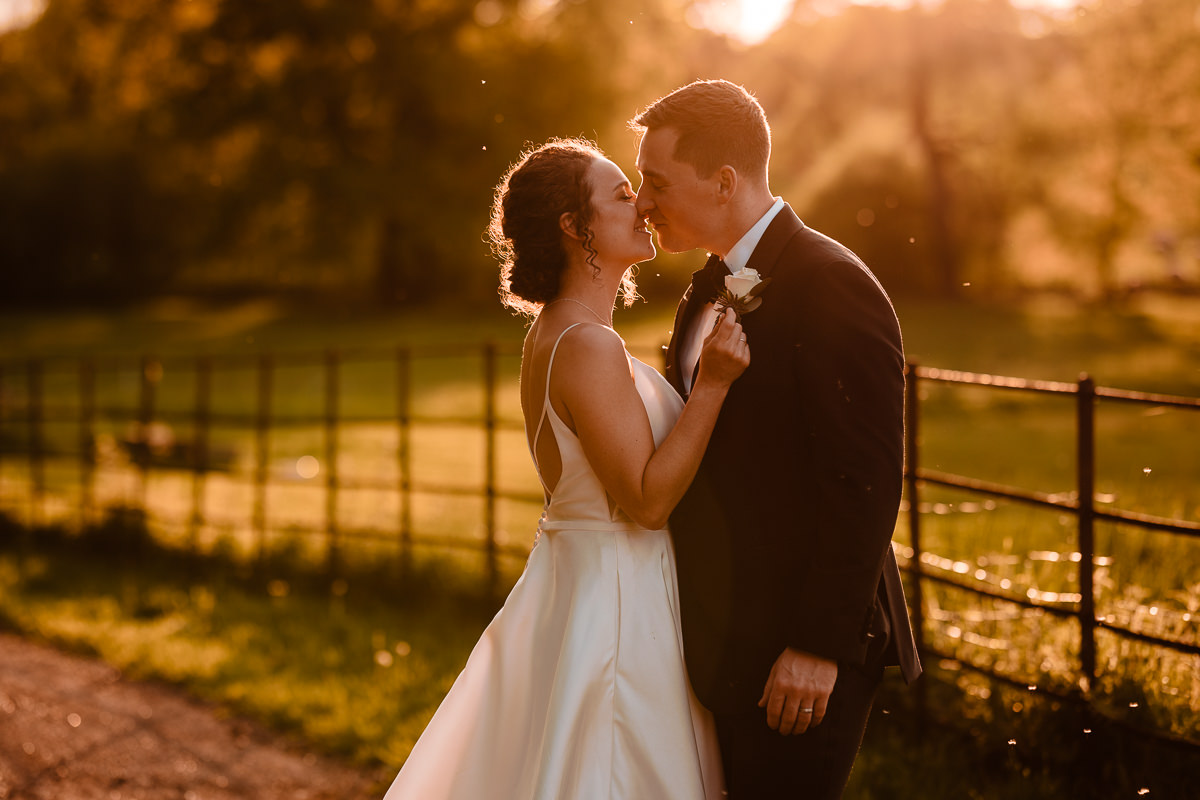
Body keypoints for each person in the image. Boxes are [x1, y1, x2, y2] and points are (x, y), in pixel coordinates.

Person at [381, 137, 749, 799]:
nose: (640, 205)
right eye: (618, 194)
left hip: (583, 584)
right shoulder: (585, 344)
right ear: (575, 228)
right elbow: (646, 501)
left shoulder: (557, 333)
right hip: (616, 598)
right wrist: (715, 386)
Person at [631, 79, 923, 798]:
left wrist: (817, 646)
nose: (642, 201)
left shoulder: (831, 284)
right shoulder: (704, 289)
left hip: (799, 654)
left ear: (723, 181)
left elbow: (866, 478)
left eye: (656, 181)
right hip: (726, 636)